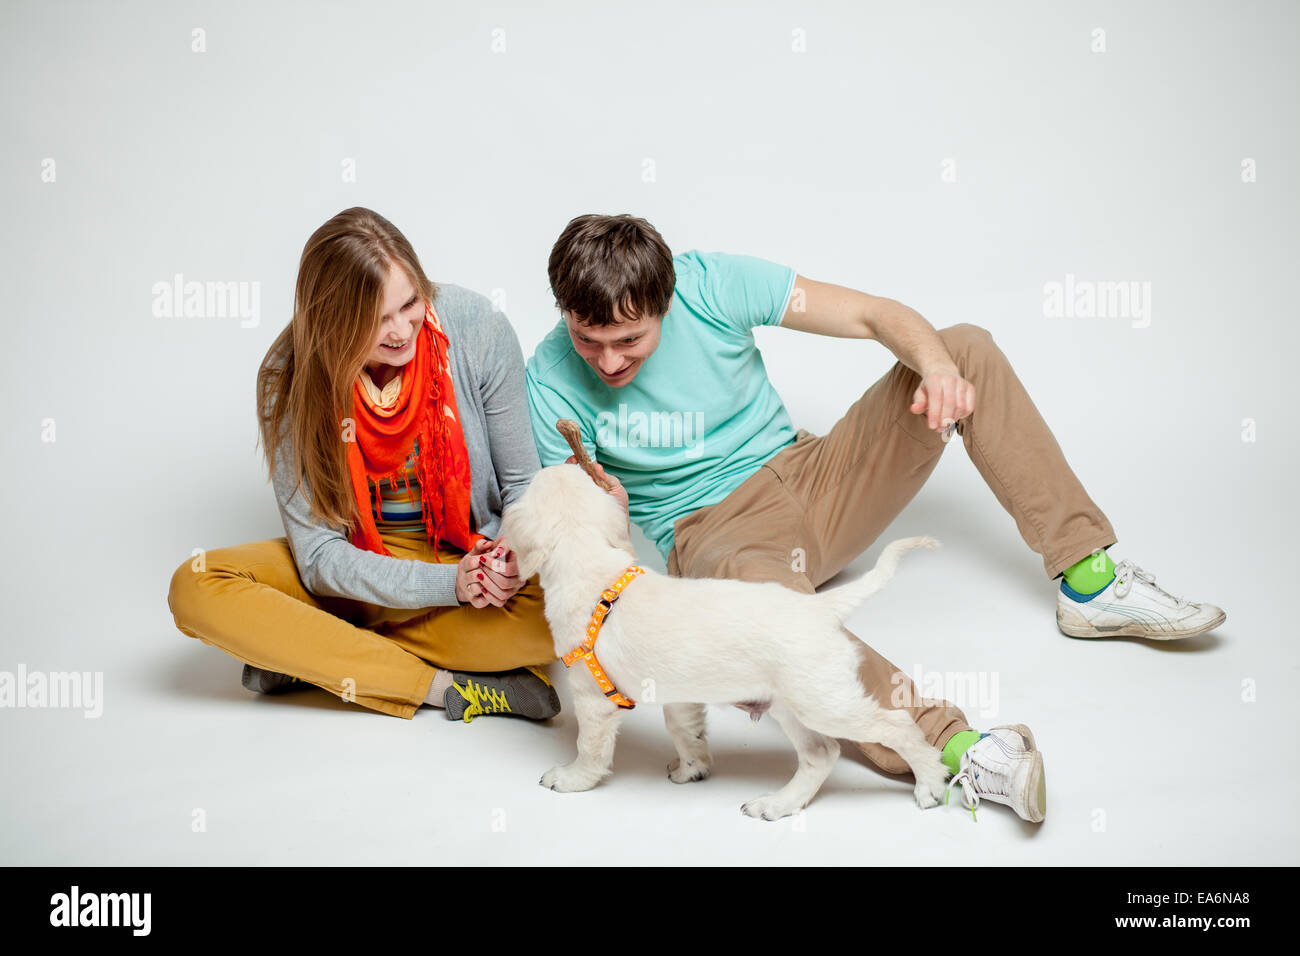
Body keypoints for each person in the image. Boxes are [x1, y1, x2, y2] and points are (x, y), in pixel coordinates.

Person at [525, 214, 1227, 823]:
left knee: (965, 345)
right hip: (718, 534)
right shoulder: (550, 379)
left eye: (629, 339)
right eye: (589, 340)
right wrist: (609, 509)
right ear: (565, 313)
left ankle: (1090, 579)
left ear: (666, 299)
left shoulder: (712, 283)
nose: (609, 360)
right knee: (783, 634)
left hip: (815, 472)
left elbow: (873, 315)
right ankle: (959, 749)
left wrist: (936, 370)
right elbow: (571, 520)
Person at [167, 207, 560, 724]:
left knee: (559, 622)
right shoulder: (288, 374)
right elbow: (319, 556)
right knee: (198, 585)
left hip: (460, 554)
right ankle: (442, 687)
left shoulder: (477, 328)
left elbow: (521, 487)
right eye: (375, 319)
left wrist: (504, 561)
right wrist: (448, 590)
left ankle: (309, 655)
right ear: (332, 320)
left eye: (410, 303)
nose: (401, 330)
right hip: (351, 570)